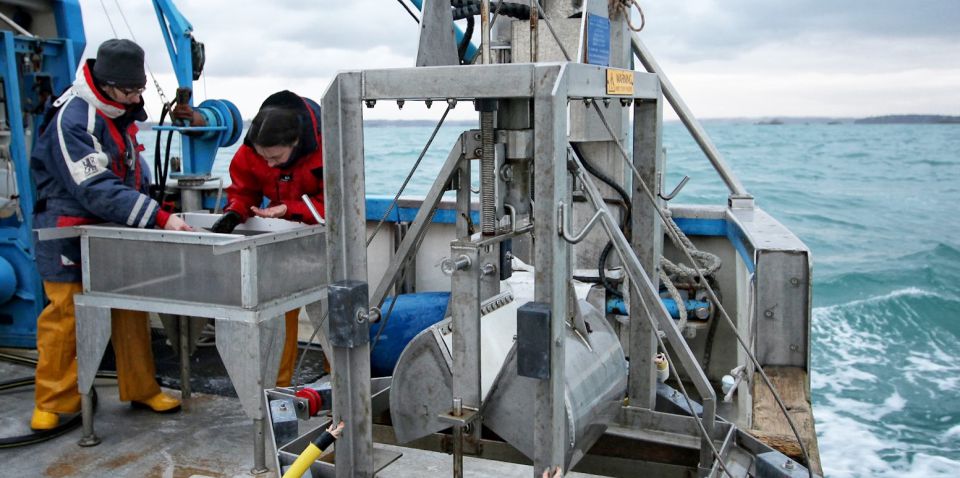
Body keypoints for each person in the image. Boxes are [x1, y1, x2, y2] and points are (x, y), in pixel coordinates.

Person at [29, 39, 190, 430]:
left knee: (130, 307)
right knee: (65, 315)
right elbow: (93, 186)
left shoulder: (119, 114)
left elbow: (131, 171)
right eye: (130, 91)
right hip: (67, 232)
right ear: (106, 83)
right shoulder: (74, 117)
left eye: (139, 90)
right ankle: (53, 400)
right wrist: (159, 217)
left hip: (114, 231)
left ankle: (140, 387)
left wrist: (152, 207)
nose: (136, 97)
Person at [206, 90, 325, 386]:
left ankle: (338, 384)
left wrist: (292, 209)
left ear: (295, 144)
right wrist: (235, 213)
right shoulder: (252, 150)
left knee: (332, 313)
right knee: (281, 311)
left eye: (276, 157)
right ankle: (279, 388)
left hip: (326, 242)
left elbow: (342, 200)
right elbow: (243, 190)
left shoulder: (331, 145)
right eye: (264, 157)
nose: (269, 165)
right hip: (282, 242)